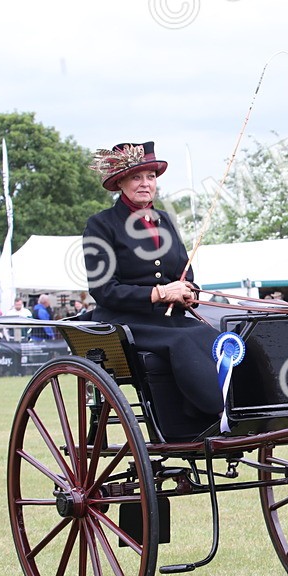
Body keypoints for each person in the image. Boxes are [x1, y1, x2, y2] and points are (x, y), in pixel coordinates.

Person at [84, 141, 223, 426]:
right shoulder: (101, 225)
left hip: (170, 320)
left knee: (218, 337)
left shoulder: (166, 221)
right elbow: (103, 290)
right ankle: (213, 413)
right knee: (185, 340)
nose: (145, 184)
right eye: (137, 177)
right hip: (125, 322)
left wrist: (188, 294)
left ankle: (232, 409)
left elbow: (186, 276)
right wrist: (160, 293)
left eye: (150, 177)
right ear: (120, 181)